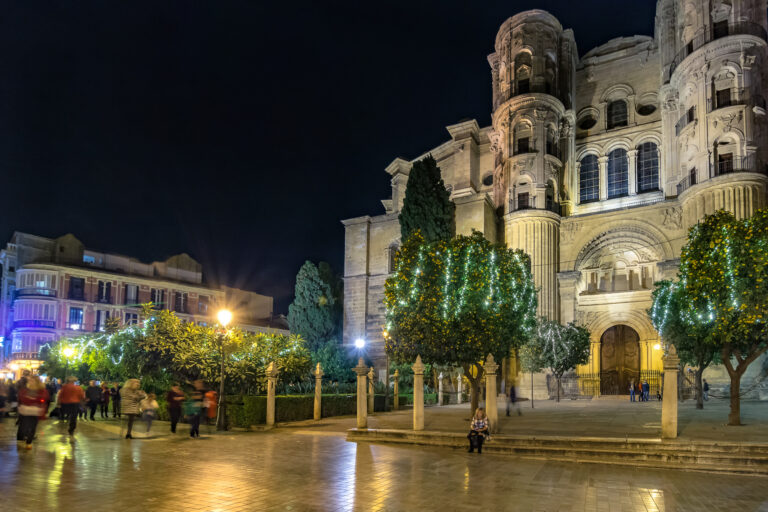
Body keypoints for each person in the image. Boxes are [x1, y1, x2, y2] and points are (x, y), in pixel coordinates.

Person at [17, 376, 49, 449]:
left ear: (37, 382)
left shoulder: (42, 390)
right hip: (25, 411)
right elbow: (20, 398)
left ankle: (29, 442)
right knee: (23, 427)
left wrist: (35, 401)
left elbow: (44, 399)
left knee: (32, 427)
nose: (30, 382)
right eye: (30, 380)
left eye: (32, 381)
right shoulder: (25, 389)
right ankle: (23, 439)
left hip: (35, 411)